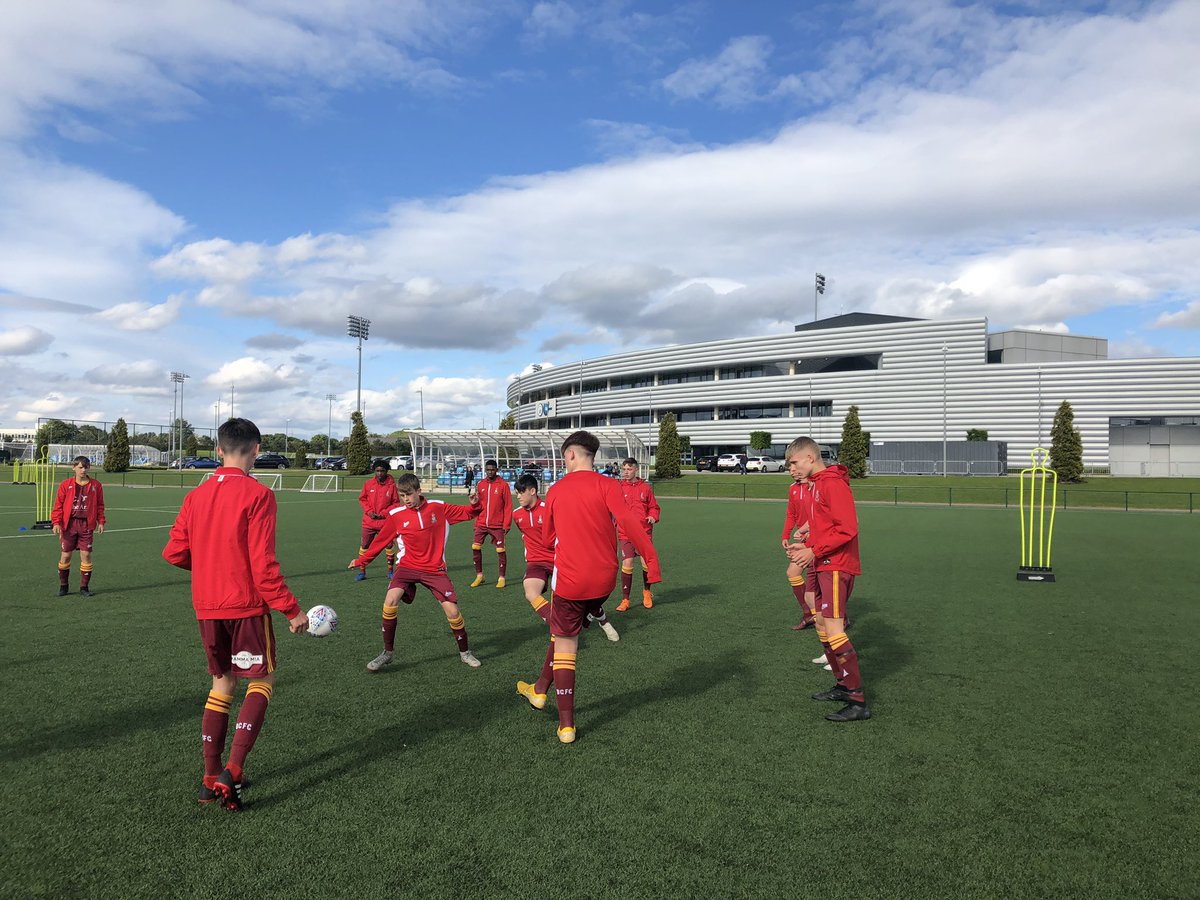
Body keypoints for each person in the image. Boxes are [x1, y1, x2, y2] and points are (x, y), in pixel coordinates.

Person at [162, 418, 310, 811]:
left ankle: (209, 778)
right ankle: (235, 770)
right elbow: (263, 566)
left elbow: (174, 552)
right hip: (244, 605)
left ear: (218, 450)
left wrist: (212, 567)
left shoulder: (196, 496)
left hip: (207, 607)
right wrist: (292, 610)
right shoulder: (258, 495)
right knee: (261, 680)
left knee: (221, 684)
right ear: (257, 450)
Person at [516, 431, 661, 744]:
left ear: (569, 455)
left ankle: (566, 725)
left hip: (572, 580)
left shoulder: (555, 490)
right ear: (591, 457)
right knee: (561, 630)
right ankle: (539, 689)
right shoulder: (609, 485)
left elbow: (546, 538)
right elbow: (630, 524)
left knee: (566, 642)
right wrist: (652, 562)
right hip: (605, 581)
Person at [350, 472, 484, 671]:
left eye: (409, 495)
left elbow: (469, 513)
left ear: (419, 491)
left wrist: (474, 504)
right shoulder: (396, 516)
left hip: (434, 569)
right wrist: (362, 561)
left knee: (453, 611)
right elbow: (380, 542)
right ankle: (387, 653)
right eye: (402, 496)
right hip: (407, 567)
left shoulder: (438, 508)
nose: (406, 500)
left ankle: (465, 653)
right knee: (390, 601)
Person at [784, 436, 870, 722]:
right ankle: (843, 685)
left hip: (836, 564)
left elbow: (848, 528)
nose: (791, 468)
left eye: (794, 462)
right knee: (822, 623)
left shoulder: (832, 483)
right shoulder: (818, 484)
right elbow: (827, 526)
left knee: (834, 628)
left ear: (810, 457)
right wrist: (805, 544)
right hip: (823, 562)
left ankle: (857, 702)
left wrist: (814, 550)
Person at [513, 474, 619, 641]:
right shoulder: (516, 515)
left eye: (520, 492)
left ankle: (603, 621)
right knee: (530, 593)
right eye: (516, 492)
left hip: (559, 560)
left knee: (586, 602)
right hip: (536, 562)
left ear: (532, 491)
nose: (517, 496)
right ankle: (556, 627)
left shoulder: (550, 507)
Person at [51, 456, 105, 597]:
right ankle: (63, 586)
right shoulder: (65, 485)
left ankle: (84, 587)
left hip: (86, 525)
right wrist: (56, 522)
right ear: (74, 468)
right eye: (80, 467)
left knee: (86, 555)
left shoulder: (96, 485)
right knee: (65, 556)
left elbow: (100, 505)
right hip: (69, 525)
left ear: (89, 468)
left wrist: (101, 521)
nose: (83, 470)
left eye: (85, 467)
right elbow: (58, 505)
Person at [615, 457, 661, 612]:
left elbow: (654, 507)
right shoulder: (619, 488)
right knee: (627, 563)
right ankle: (625, 600)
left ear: (635, 469)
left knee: (646, 563)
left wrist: (653, 516)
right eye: (624, 469)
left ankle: (647, 592)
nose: (626, 472)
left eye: (629, 469)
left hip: (643, 532)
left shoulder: (645, 488)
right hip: (625, 533)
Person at [782, 469, 817, 633]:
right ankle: (808, 613)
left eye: (796, 466)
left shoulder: (816, 486)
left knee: (823, 580)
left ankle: (840, 617)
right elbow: (791, 513)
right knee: (793, 573)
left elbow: (820, 515)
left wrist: (809, 532)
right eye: (790, 468)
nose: (793, 471)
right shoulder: (793, 488)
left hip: (817, 538)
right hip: (803, 540)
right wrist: (785, 534)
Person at [354, 459, 399, 582]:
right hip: (369, 522)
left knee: (389, 545)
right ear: (374, 471)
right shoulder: (368, 484)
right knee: (365, 545)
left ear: (386, 471)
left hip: (385, 522)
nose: (379, 473)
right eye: (377, 471)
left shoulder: (392, 485)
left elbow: (396, 503)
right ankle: (362, 571)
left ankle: (390, 571)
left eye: (382, 471)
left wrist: (383, 514)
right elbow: (362, 499)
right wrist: (369, 512)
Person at [469, 459, 512, 589]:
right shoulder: (481, 484)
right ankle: (479, 576)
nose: (490, 472)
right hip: (481, 523)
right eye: (488, 470)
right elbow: (479, 505)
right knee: (475, 547)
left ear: (496, 470)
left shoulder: (503, 485)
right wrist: (474, 504)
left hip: (497, 524)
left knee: (500, 550)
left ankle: (501, 578)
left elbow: (508, 506)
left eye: (492, 469)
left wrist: (506, 525)